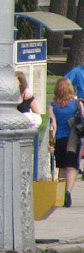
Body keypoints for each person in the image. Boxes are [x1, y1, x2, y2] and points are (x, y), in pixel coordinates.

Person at [48, 77, 81, 207]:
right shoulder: (77, 104)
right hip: (73, 139)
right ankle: (68, 191)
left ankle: (61, 194)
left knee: (61, 166)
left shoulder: (52, 106)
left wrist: (52, 142)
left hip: (60, 139)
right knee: (72, 166)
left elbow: (53, 126)